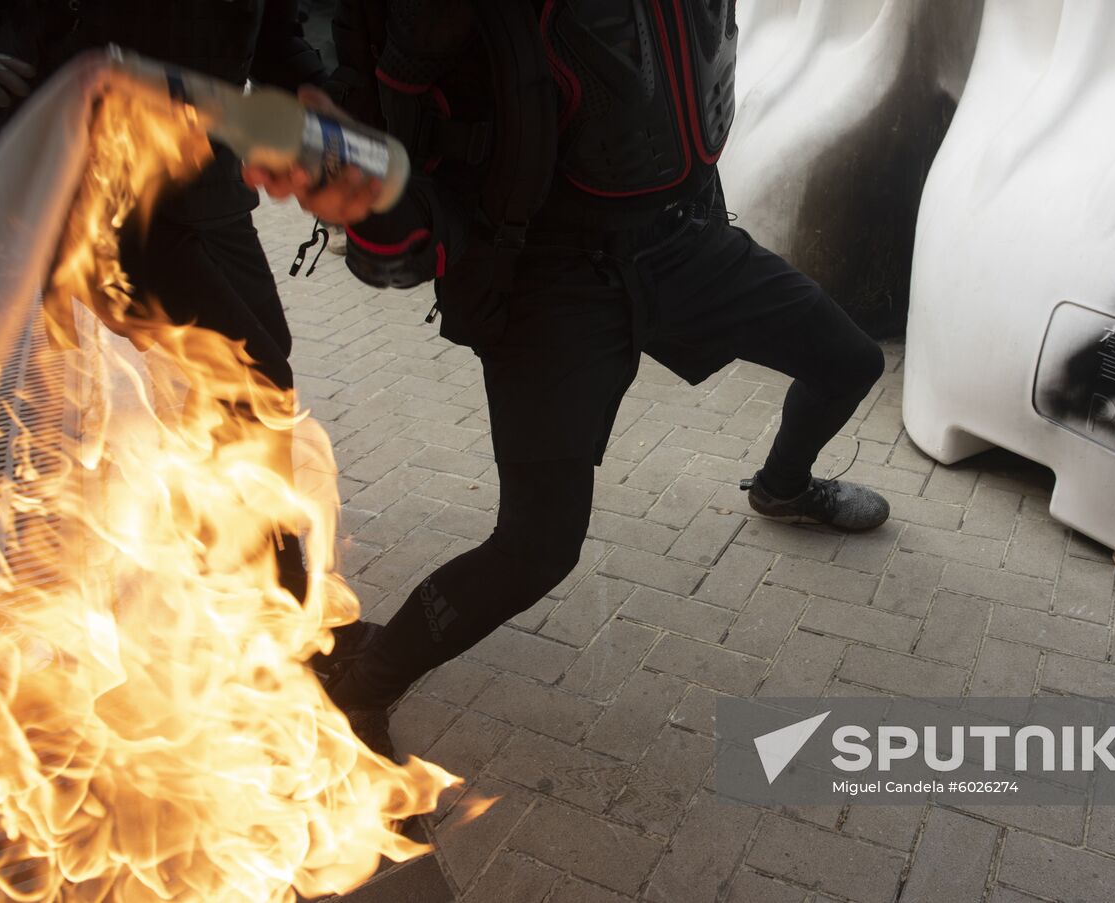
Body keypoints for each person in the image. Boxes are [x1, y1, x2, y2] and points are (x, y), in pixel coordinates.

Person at [251, 0, 890, 758]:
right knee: (539, 544)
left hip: (679, 236)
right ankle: (361, 690)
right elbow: (384, 134)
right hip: (552, 276)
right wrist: (383, 206)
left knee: (851, 360)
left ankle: (782, 486)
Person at [0, 0, 378, 671]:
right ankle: (271, 624)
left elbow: (271, 28)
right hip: (96, 180)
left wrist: (315, 93)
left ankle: (262, 603)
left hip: (200, 167)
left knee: (262, 368)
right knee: (249, 382)